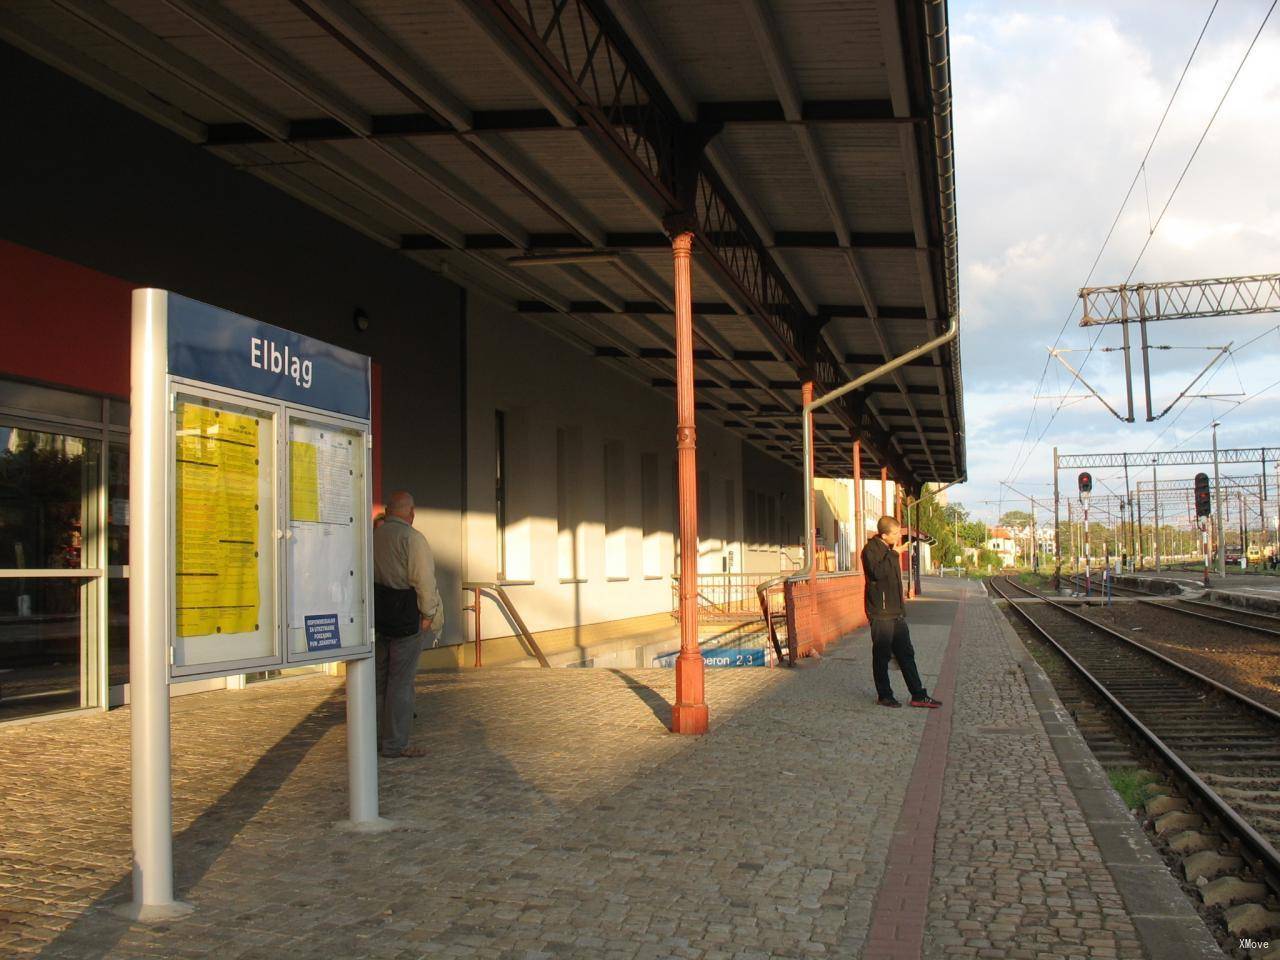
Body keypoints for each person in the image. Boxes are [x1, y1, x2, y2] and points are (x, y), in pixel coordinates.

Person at [372, 490, 443, 758]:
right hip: (405, 619)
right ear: (411, 513)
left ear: (389, 511)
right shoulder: (412, 539)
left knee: (379, 682)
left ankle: (374, 738)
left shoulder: (374, 536)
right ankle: (395, 744)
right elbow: (423, 581)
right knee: (401, 683)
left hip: (379, 618)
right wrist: (428, 614)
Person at [861, 515, 942, 709]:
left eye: (899, 532)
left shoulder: (889, 549)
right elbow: (877, 573)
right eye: (895, 533)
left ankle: (918, 695)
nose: (898, 536)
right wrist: (893, 554)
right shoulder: (870, 550)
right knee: (881, 656)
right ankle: (884, 695)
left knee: (906, 654)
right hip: (881, 613)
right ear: (883, 534)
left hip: (895, 613)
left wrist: (902, 609)